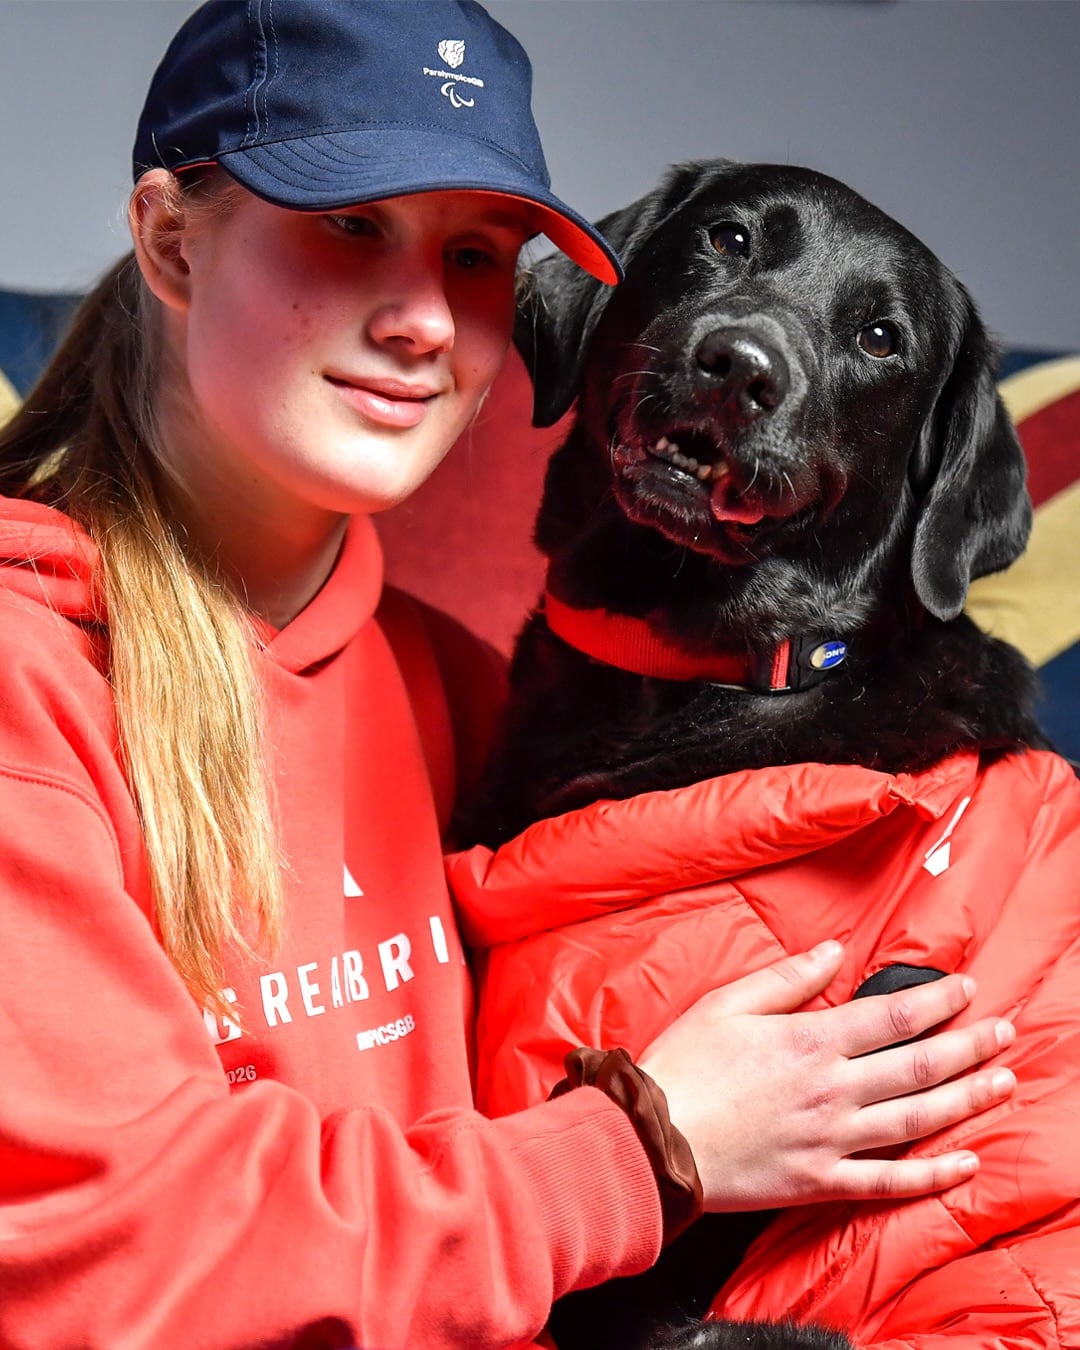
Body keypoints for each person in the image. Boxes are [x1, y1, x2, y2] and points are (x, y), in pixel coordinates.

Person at [0, 3, 1017, 1348]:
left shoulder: (472, 695)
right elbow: (112, 1263)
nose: (423, 318)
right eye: (350, 224)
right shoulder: (31, 681)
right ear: (173, 238)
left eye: (475, 255)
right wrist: (652, 1146)